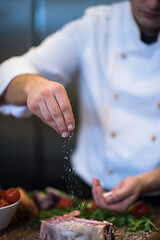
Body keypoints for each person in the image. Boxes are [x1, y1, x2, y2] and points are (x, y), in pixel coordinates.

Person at [0, 0, 160, 212]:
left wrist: (145, 182)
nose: (153, 3)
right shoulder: (96, 26)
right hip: (89, 190)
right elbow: (8, 73)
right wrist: (31, 85)